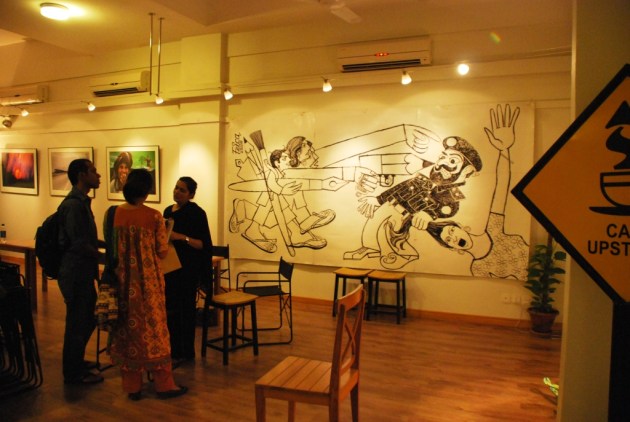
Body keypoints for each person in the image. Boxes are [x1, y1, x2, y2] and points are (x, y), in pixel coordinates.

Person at [107, 169, 187, 400]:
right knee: (155, 331)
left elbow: (112, 250)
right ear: (146, 189)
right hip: (148, 283)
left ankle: (132, 387)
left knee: (128, 331)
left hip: (124, 282)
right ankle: (164, 384)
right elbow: (161, 251)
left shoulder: (114, 214)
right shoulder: (153, 216)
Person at [344, 136, 483, 269]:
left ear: (467, 171)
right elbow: (400, 188)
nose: (441, 164)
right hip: (391, 205)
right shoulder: (422, 178)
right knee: (373, 223)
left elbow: (449, 208)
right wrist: (379, 199)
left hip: (402, 218)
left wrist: (429, 214)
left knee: (390, 234)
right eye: (442, 157)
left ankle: (392, 253)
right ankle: (368, 247)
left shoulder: (451, 195)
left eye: (452, 161)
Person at [57, 158, 104, 385]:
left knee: (85, 319)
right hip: (75, 273)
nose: (98, 175)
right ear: (82, 175)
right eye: (93, 171)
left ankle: (75, 362)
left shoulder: (81, 203)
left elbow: (86, 240)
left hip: (82, 272)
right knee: (78, 322)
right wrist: (104, 257)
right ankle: (73, 372)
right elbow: (78, 243)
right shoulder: (74, 205)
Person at [163, 177, 213, 364]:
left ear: (191, 194)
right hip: (170, 268)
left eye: (182, 190)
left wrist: (181, 237)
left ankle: (187, 351)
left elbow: (203, 244)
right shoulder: (168, 211)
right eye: (176, 188)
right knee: (171, 311)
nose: (177, 192)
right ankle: (173, 349)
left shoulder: (197, 213)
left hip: (187, 270)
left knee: (186, 311)